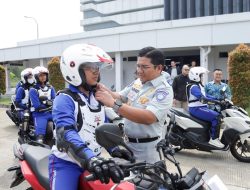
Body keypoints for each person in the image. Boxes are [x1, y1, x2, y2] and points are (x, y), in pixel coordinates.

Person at [48, 44, 124, 190]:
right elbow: (66, 134)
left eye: (97, 67)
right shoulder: (64, 99)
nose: (96, 71)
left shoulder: (97, 97)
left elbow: (102, 130)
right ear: (74, 69)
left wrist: (115, 149)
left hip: (94, 162)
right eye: (90, 67)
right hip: (66, 164)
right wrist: (91, 158)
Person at [95, 46, 173, 164]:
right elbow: (122, 97)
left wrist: (113, 104)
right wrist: (106, 91)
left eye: (145, 67)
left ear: (159, 68)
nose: (139, 71)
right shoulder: (138, 82)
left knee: (146, 181)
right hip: (127, 145)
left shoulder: (163, 90)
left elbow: (149, 117)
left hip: (148, 149)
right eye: (138, 66)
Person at [186, 67, 224, 148]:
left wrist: (218, 99)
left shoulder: (198, 85)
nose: (202, 77)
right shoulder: (193, 87)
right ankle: (213, 139)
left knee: (216, 116)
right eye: (201, 75)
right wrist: (215, 102)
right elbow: (202, 98)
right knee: (216, 117)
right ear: (195, 76)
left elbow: (206, 95)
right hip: (196, 108)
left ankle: (210, 136)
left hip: (201, 107)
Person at [29, 66, 56, 143]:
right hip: (39, 114)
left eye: (44, 75)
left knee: (64, 128)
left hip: (51, 113)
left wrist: (46, 103)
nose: (43, 77)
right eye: (40, 75)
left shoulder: (51, 88)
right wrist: (48, 103)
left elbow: (55, 100)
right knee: (40, 138)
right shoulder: (33, 90)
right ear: (36, 77)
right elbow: (37, 106)